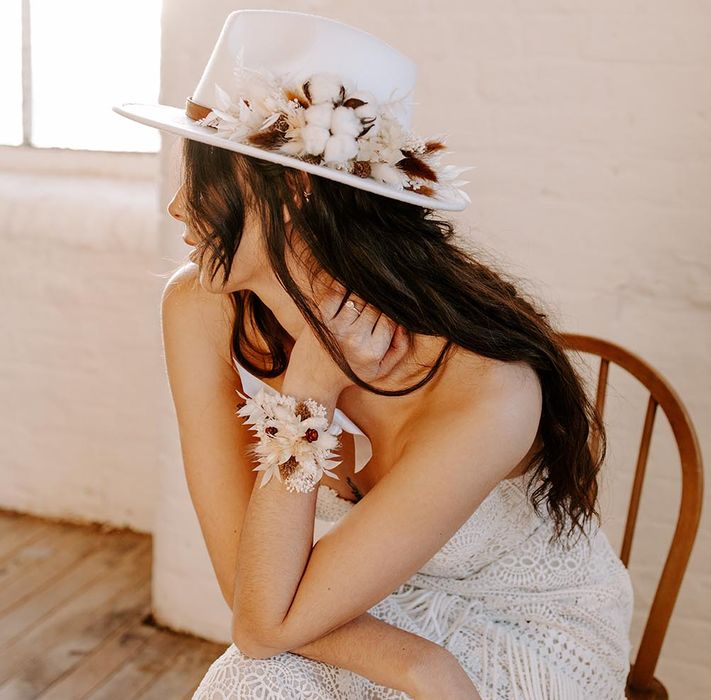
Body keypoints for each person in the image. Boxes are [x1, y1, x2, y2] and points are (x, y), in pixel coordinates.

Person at [113, 9, 633, 699]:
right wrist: (310, 390)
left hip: (521, 630)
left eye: (201, 175)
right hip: (338, 611)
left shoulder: (486, 392)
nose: (177, 206)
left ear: (293, 189)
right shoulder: (200, 308)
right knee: (253, 679)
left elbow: (266, 617)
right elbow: (254, 607)